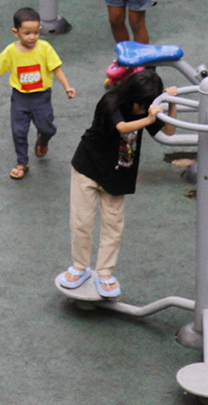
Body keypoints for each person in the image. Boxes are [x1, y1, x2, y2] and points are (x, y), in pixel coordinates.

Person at [57, 69, 177, 299]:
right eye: (141, 105)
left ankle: (104, 272)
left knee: (113, 225)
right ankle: (80, 267)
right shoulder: (110, 101)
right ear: (132, 97)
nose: (142, 109)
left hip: (118, 174)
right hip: (88, 167)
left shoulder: (145, 108)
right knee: (82, 222)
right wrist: (150, 118)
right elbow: (122, 128)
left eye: (147, 105)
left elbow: (169, 132)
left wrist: (170, 105)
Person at [0, 7, 76, 180]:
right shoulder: (11, 51)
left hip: (41, 97)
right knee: (19, 132)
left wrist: (67, 86)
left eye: (35, 33)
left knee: (47, 128)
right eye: (27, 33)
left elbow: (56, 68)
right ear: (16, 33)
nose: (32, 37)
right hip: (20, 98)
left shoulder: (44, 48)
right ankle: (22, 163)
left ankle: (43, 139)